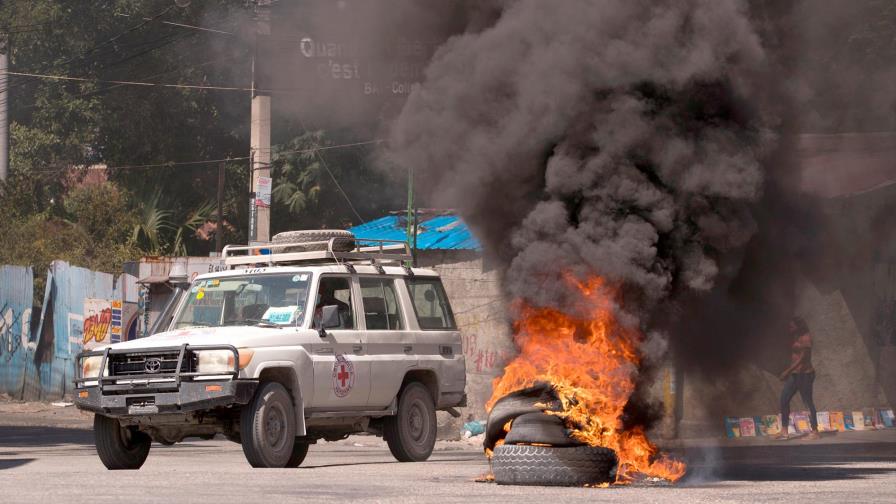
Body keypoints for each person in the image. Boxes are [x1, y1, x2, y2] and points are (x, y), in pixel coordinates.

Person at [774, 316, 819, 440]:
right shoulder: (795, 336)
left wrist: (787, 371)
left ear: (799, 326)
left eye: (792, 326)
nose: (790, 328)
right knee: (784, 399)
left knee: (807, 402)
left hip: (805, 375)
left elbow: (804, 359)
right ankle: (784, 431)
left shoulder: (806, 338)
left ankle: (815, 431)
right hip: (795, 375)